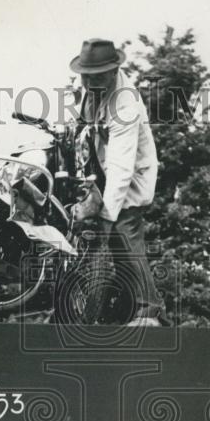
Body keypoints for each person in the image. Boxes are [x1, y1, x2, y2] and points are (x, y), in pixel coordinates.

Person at [68, 38, 167, 326]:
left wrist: (106, 217)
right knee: (104, 238)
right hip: (103, 165)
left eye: (97, 77)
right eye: (86, 76)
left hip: (130, 173)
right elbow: (81, 123)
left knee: (123, 231)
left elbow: (121, 168)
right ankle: (122, 307)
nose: (89, 82)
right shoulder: (87, 88)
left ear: (113, 72)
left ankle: (151, 310)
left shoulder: (126, 104)